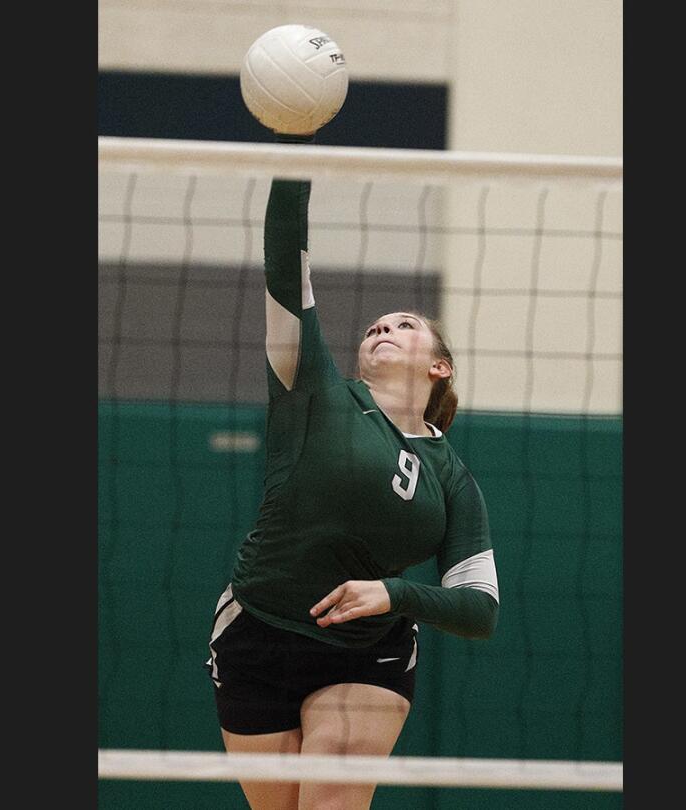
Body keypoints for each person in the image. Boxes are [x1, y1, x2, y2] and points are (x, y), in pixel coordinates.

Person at [205, 135, 499, 810]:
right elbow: (286, 262)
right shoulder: (314, 391)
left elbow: (480, 609)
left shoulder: (451, 476)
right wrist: (294, 147)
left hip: (367, 653)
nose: (382, 329)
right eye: (374, 326)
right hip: (257, 626)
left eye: (404, 324)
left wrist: (396, 594)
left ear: (439, 367)